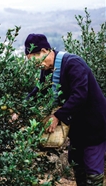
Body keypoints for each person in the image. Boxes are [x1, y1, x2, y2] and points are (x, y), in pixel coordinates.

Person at [24, 33, 106, 186]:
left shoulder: (73, 64)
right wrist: (20, 107)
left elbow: (80, 94)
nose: (34, 65)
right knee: (76, 163)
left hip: (94, 124)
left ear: (43, 51)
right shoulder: (47, 68)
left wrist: (57, 116)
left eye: (32, 59)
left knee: (93, 170)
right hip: (77, 125)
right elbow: (40, 90)